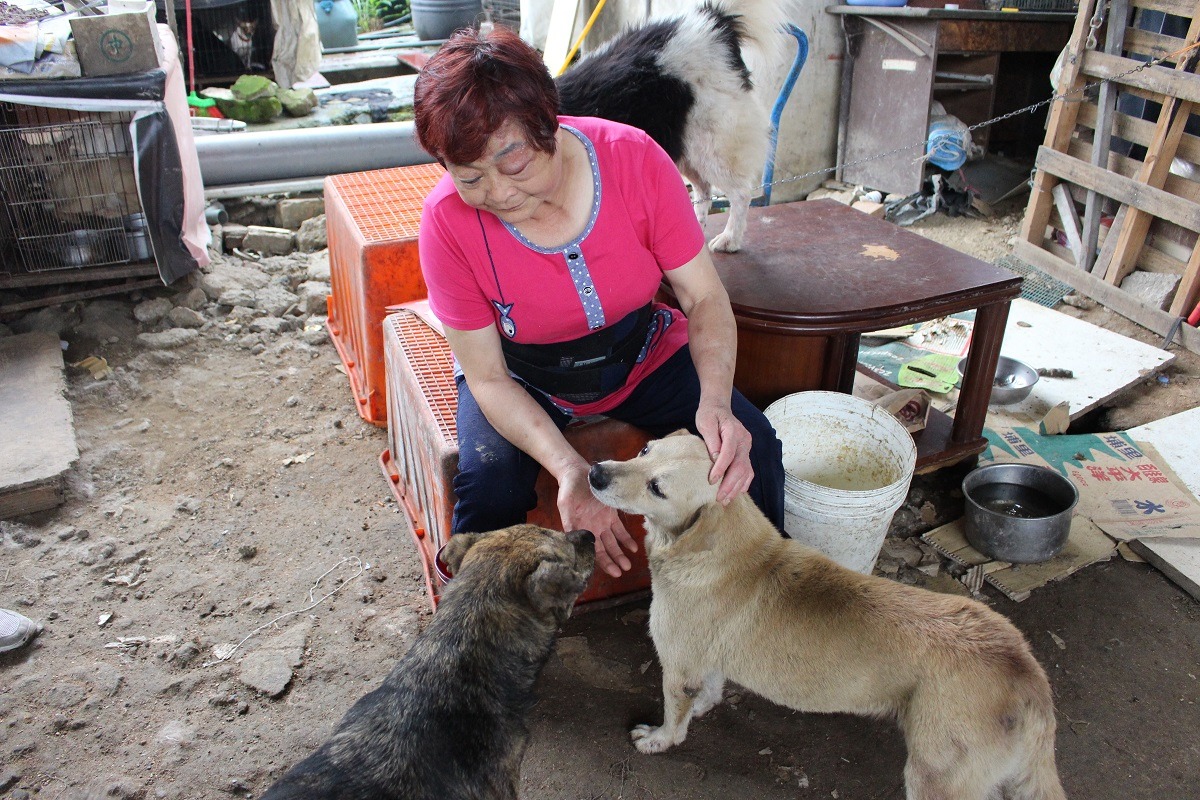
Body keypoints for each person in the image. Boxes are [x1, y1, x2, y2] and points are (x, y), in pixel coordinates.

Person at [413, 26, 785, 579]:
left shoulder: (633, 160)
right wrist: (569, 471)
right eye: (470, 177)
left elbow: (703, 296)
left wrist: (716, 405)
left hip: (640, 353)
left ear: (548, 123)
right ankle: (482, 644)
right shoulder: (446, 224)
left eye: (512, 163)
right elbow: (487, 377)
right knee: (488, 490)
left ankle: (764, 599)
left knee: (756, 451)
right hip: (522, 376)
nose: (498, 192)